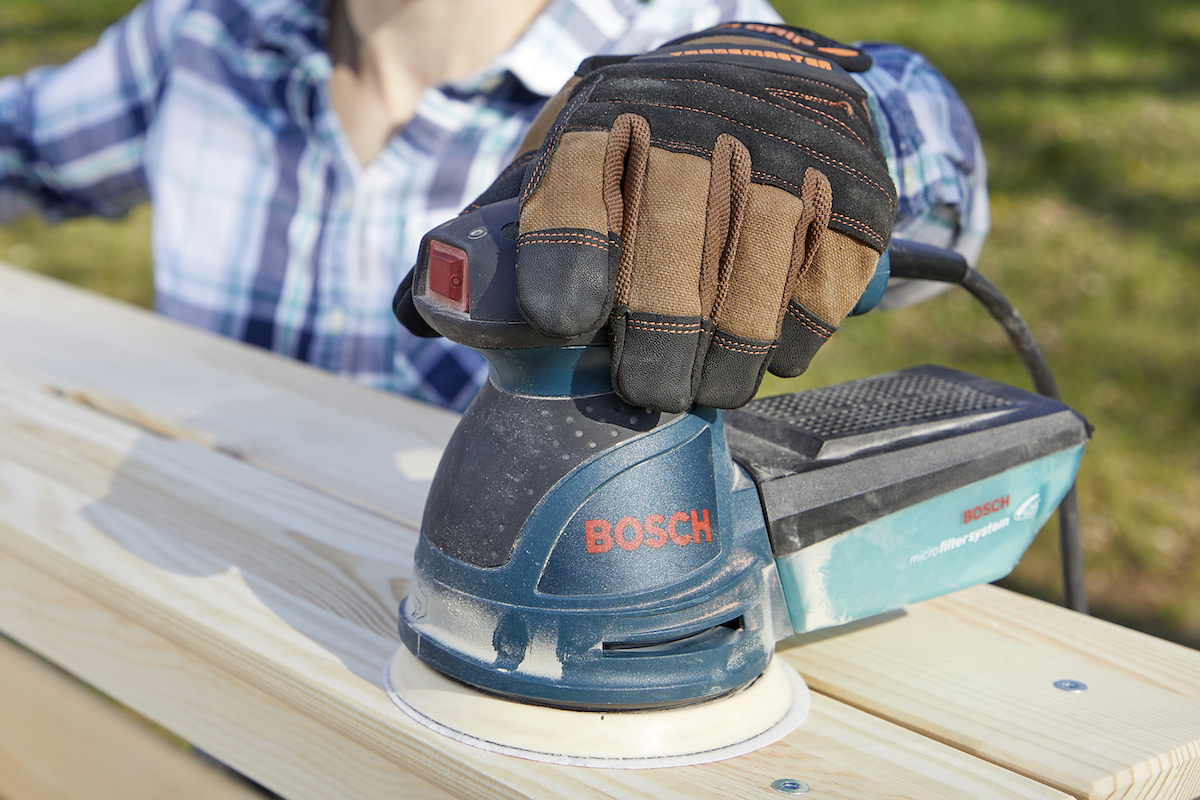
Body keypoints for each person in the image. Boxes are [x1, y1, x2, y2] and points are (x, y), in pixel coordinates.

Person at [0, 0, 987, 412]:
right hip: (248, 662)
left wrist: (840, 132)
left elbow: (935, 177)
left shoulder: (675, 47)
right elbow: (27, 144)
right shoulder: (205, 35)